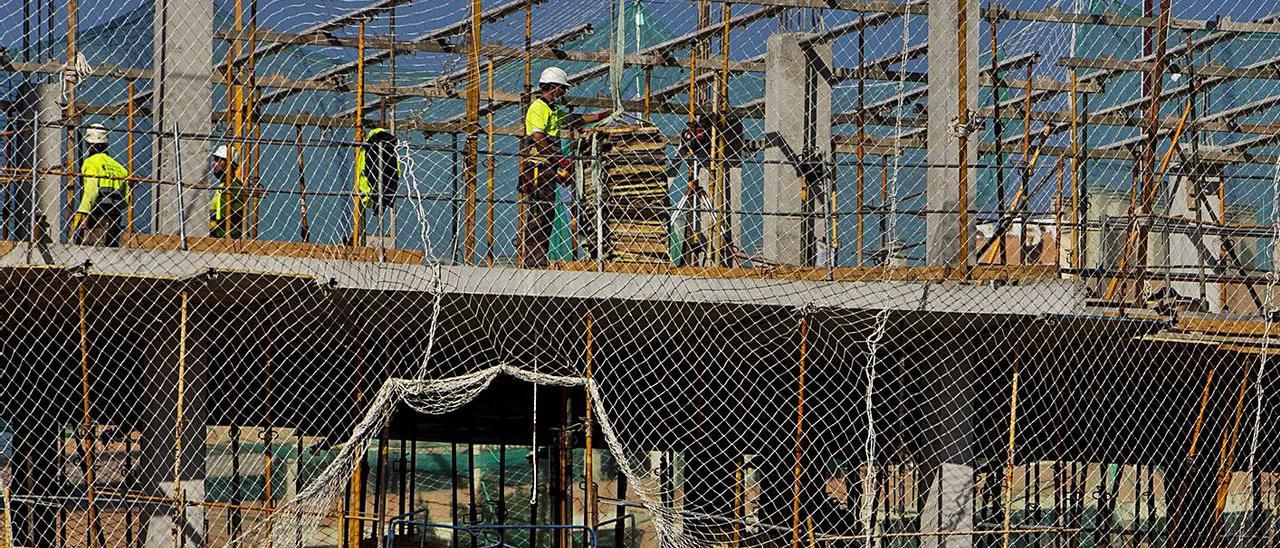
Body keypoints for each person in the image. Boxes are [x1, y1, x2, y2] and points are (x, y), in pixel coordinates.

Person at [519, 66, 609, 268]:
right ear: (552, 87)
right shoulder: (538, 107)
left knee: (547, 212)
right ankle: (532, 259)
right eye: (562, 88)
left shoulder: (551, 110)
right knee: (539, 213)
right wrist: (559, 160)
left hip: (547, 169)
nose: (564, 92)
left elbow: (572, 119)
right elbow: (538, 137)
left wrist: (599, 116)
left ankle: (537, 257)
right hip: (538, 168)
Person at [72, 123, 129, 246]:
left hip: (96, 217)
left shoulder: (90, 163)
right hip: (115, 217)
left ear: (89, 144)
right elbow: (126, 199)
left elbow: (91, 190)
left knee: (88, 252)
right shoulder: (119, 168)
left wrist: (83, 211)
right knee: (111, 253)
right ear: (106, 144)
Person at [353, 127, 400, 243]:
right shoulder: (390, 147)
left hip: (370, 189)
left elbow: (363, 169)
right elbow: (396, 171)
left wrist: (366, 191)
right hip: (384, 187)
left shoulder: (368, 147)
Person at [209, 145, 247, 239]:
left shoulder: (233, 187)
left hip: (225, 237)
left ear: (231, 164)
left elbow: (223, 219)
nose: (215, 164)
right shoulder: (222, 185)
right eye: (215, 160)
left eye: (220, 160)